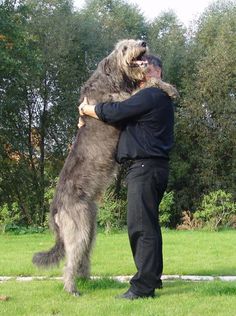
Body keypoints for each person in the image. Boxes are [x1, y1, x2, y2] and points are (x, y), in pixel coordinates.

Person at [79, 55, 175, 300]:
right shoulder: (150, 99)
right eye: (141, 68)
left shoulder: (151, 95)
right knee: (148, 225)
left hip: (145, 168)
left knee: (140, 227)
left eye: (148, 69)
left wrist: (89, 109)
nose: (144, 73)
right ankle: (152, 278)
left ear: (157, 73)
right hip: (149, 168)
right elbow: (120, 121)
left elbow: (116, 112)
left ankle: (142, 287)